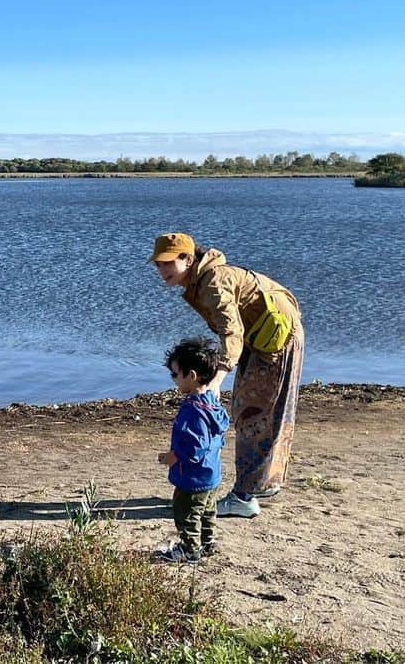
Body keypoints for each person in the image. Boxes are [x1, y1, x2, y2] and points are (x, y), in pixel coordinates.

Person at [150, 232, 304, 519]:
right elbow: (231, 332)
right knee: (253, 410)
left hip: (277, 339)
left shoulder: (213, 282)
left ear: (188, 258)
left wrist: (217, 379)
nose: (162, 270)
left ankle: (245, 497)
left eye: (168, 262)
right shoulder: (199, 280)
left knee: (252, 413)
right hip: (258, 340)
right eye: (157, 264)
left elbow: (231, 331)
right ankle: (261, 484)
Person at [157, 337, 231, 563]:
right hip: (211, 473)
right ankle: (207, 543)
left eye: (175, 375)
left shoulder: (193, 409)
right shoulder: (211, 401)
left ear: (191, 376)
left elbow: (195, 446)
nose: (174, 380)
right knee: (207, 510)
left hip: (193, 476)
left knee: (186, 512)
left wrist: (173, 457)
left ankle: (190, 549)